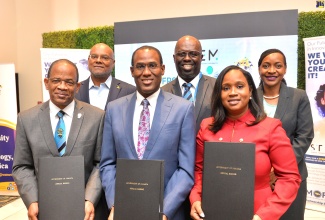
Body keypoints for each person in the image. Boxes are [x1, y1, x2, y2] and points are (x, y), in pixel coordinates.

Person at [189, 65, 301, 220]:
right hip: (211, 211)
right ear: (219, 94)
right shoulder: (207, 127)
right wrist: (195, 198)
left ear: (250, 91)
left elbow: (290, 178)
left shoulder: (270, 127)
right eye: (226, 88)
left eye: (239, 86)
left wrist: (265, 215)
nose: (233, 92)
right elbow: (199, 170)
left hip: (257, 213)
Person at [100, 45, 196, 220]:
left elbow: (186, 170)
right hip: (124, 212)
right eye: (140, 66)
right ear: (132, 71)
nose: (146, 72)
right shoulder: (114, 109)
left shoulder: (183, 109)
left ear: (162, 69)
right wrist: (115, 204)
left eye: (152, 65)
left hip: (167, 214)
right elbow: (107, 164)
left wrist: (164, 211)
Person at [12, 59, 106, 220]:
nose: (62, 87)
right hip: (44, 209)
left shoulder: (96, 117)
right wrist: (32, 200)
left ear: (77, 87)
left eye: (69, 82)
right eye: (56, 80)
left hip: (86, 211)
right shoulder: (26, 119)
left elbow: (101, 163)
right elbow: (22, 166)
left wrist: (89, 198)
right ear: (47, 83)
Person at [257, 49, 314, 220]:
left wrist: (280, 167)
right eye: (266, 66)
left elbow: (304, 136)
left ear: (285, 69)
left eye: (278, 66)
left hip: (291, 176)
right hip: (258, 179)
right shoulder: (250, 97)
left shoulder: (298, 96)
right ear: (259, 68)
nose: (272, 71)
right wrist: (265, 169)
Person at [162, 35, 216, 134]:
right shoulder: (162, 92)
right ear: (174, 58)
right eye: (182, 54)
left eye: (193, 54)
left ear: (201, 58)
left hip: (208, 148)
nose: (187, 58)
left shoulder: (217, 87)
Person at [75, 43, 136, 110]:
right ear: (88, 60)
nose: (98, 61)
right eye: (94, 57)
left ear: (113, 63)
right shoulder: (75, 89)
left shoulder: (129, 91)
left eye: (104, 58)